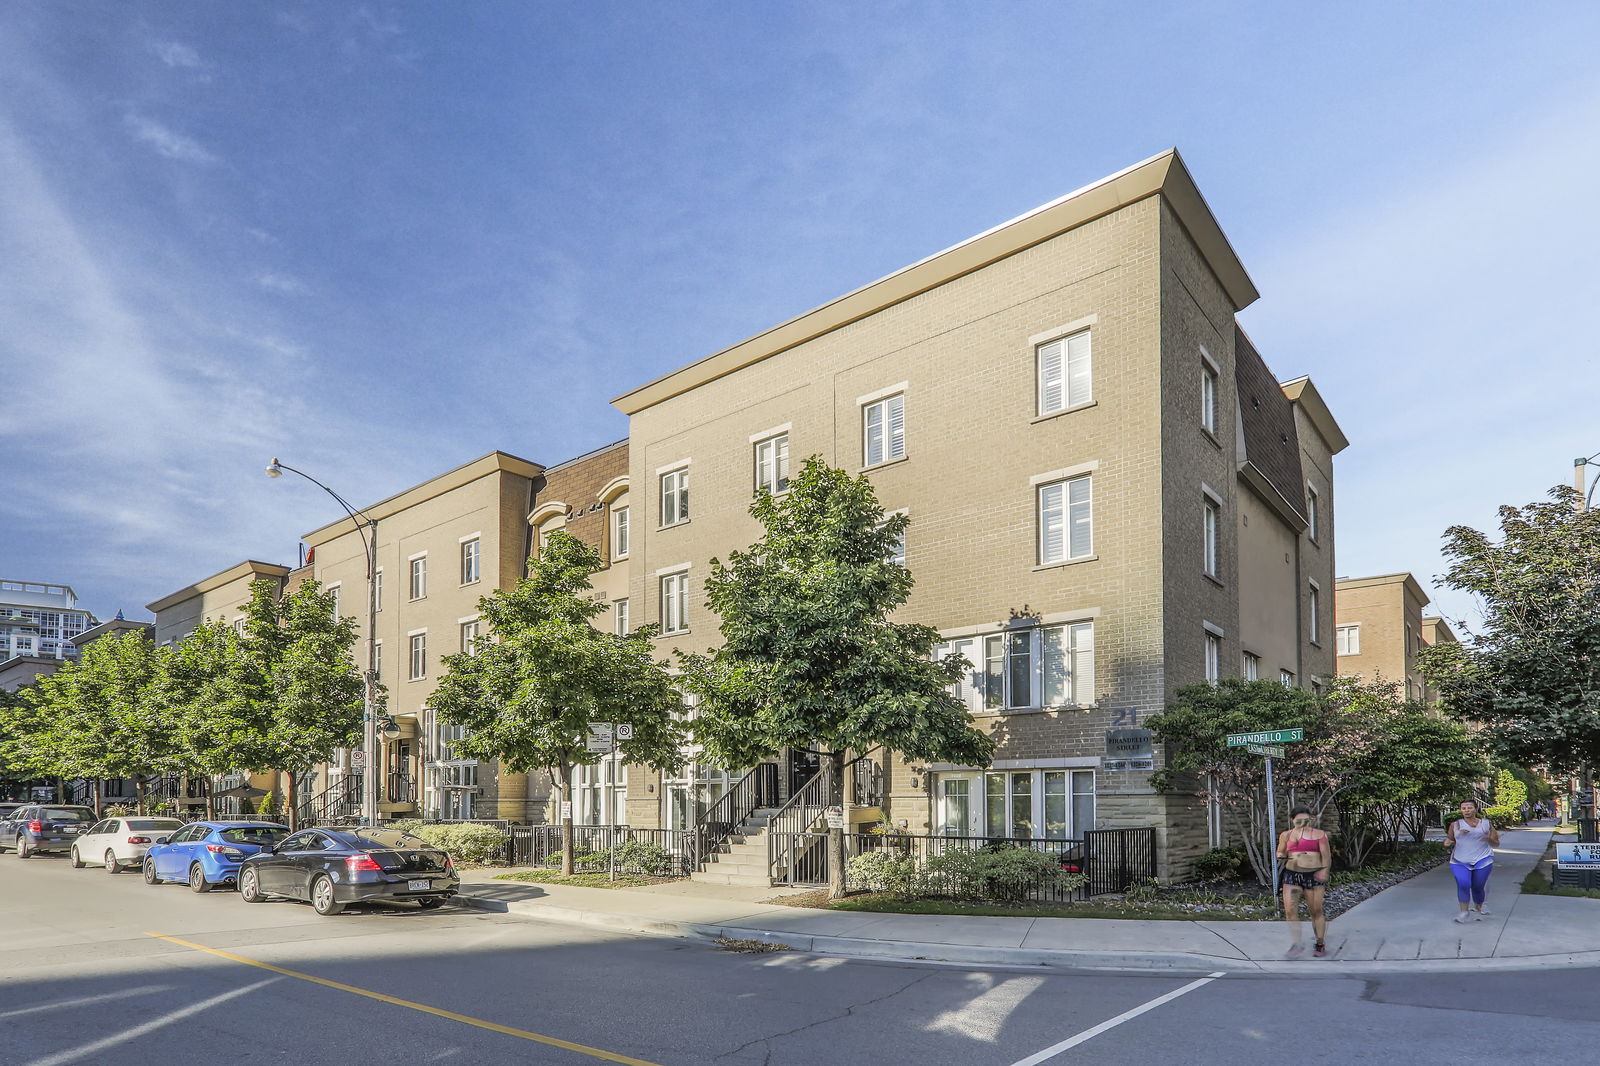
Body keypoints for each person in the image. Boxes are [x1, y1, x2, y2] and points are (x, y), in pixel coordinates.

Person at [1276, 806, 1331, 958]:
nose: (1303, 823)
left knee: (1316, 910)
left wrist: (1324, 870)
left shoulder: (1319, 835)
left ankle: (1320, 942)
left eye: (1306, 820)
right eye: (1299, 820)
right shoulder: (1286, 835)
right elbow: (1280, 851)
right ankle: (1297, 943)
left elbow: (1326, 856)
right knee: (1289, 910)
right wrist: (1282, 855)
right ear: (1292, 820)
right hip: (1292, 875)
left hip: (1313, 876)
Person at [1445, 798, 1500, 922]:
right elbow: (1449, 840)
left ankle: (1479, 906)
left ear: (1475, 809)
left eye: (1469, 808)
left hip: (1483, 859)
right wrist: (1448, 842)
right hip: (1459, 860)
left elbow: (1496, 843)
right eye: (1463, 808)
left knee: (1478, 887)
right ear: (1461, 810)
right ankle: (1464, 912)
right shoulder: (1455, 825)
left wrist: (1487, 837)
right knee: (1463, 884)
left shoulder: (1486, 824)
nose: (1466, 810)